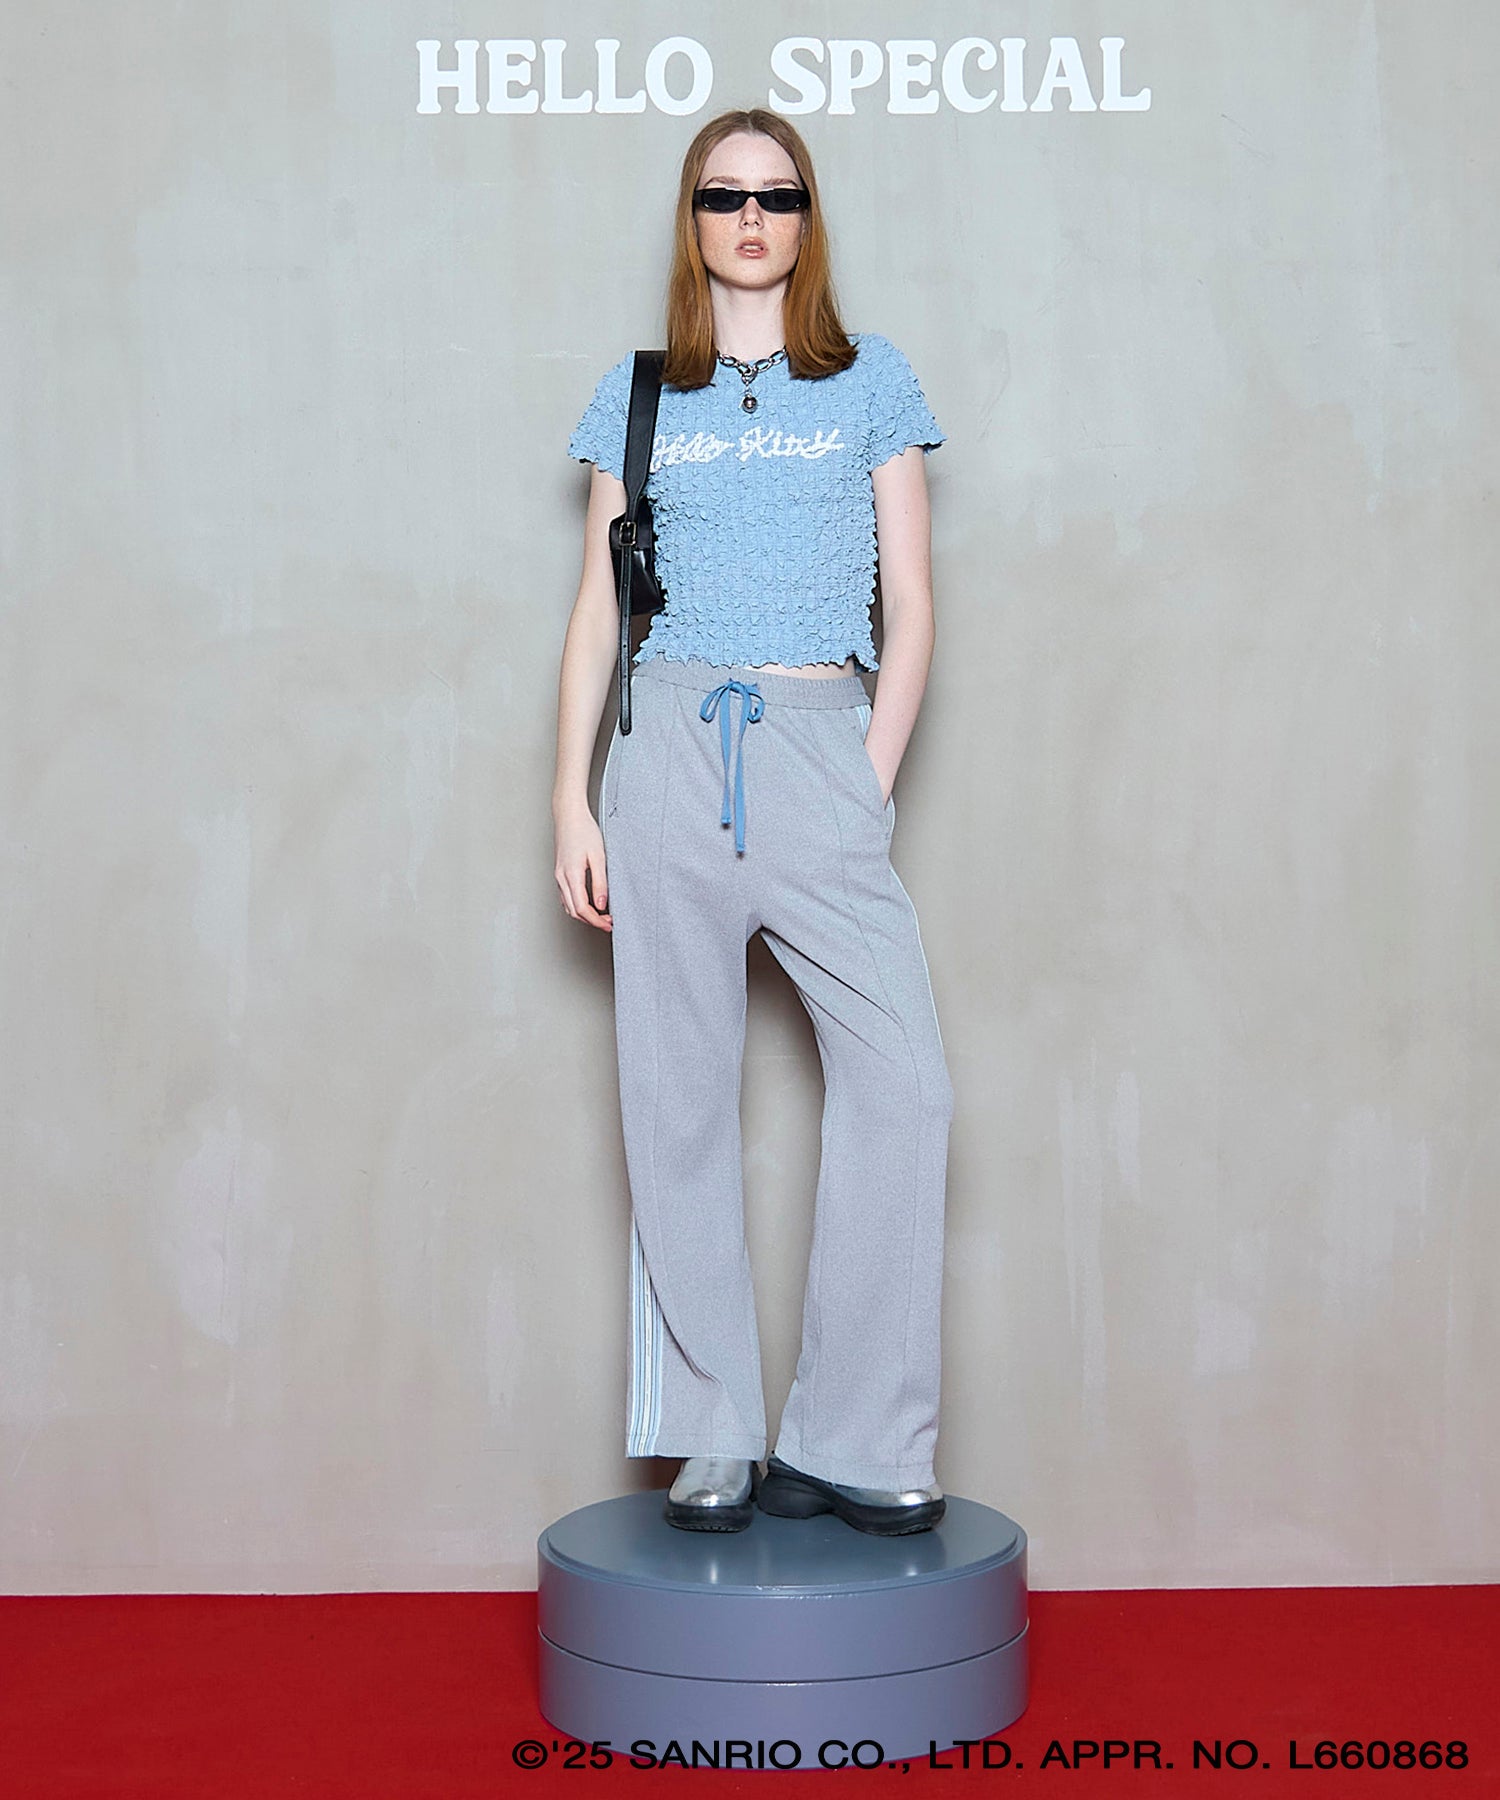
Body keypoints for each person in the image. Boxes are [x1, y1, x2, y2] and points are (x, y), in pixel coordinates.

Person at [552, 108, 955, 1537]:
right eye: (724, 195)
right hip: (669, 751)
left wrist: (866, 776)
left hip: (817, 739)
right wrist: (570, 797)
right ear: (694, 218)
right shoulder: (638, 394)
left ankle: (857, 1434)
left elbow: (912, 608)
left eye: (776, 196)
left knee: (905, 1085)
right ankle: (712, 1426)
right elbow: (598, 608)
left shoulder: (869, 380)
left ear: (805, 219)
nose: (750, 218)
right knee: (675, 1099)